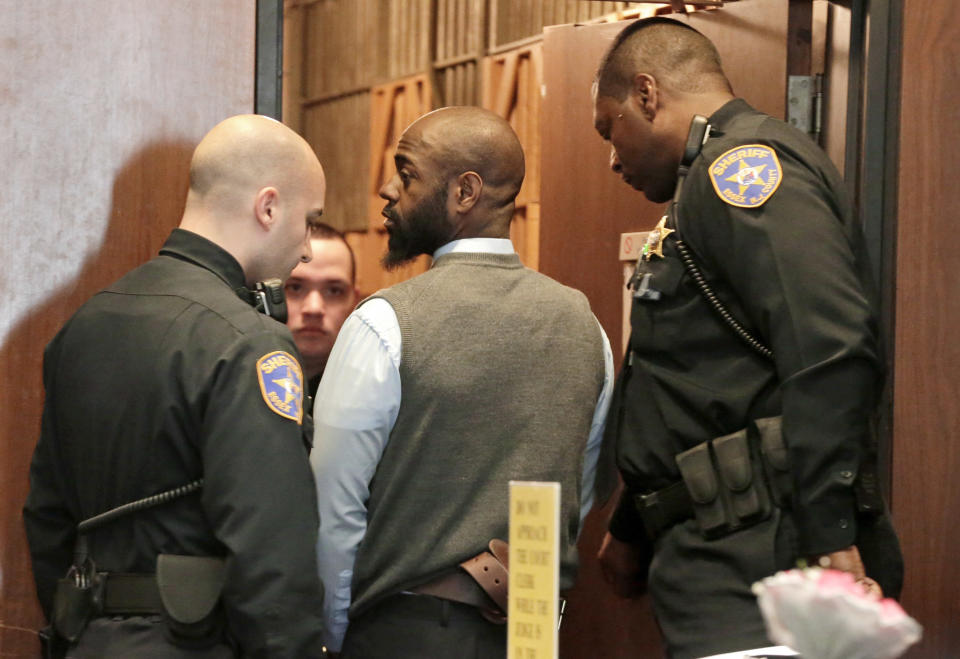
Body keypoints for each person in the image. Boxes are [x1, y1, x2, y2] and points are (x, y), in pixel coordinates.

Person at [590, 17, 903, 658]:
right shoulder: (697, 187)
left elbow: (829, 350)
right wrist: (630, 526)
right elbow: (687, 382)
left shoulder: (741, 170)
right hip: (716, 562)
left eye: (609, 126)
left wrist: (831, 536)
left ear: (647, 94)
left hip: (770, 570)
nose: (613, 156)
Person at [310, 106, 614, 658]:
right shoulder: (584, 325)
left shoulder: (385, 321)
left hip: (409, 631)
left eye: (405, 174)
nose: (385, 189)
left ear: (465, 192)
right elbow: (577, 493)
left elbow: (336, 510)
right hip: (532, 631)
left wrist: (332, 635)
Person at [23, 114, 328, 658]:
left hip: (87, 640)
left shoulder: (84, 325)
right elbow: (271, 561)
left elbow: (47, 518)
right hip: (193, 644)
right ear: (268, 207)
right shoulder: (250, 344)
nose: (306, 247)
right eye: (308, 221)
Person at [285, 222, 358, 399]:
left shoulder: (377, 393)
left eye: (334, 291)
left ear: (354, 302)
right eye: (295, 288)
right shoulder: (233, 382)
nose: (314, 308)